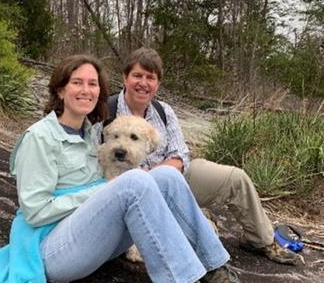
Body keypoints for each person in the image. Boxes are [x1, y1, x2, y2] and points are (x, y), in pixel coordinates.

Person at [9, 54, 260, 283]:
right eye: (76, 82)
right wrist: (100, 191)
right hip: (54, 251)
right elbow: (34, 211)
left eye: (92, 84)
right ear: (60, 89)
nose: (86, 89)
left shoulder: (92, 132)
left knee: (166, 176)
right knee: (135, 181)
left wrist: (108, 189)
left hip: (92, 239)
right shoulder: (39, 137)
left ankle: (212, 266)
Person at [95, 47, 297, 265]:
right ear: (125, 78)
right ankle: (194, 217)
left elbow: (180, 154)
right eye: (137, 76)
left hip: (173, 177)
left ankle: (262, 240)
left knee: (235, 178)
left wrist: (158, 177)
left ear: (157, 84)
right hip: (127, 186)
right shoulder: (106, 111)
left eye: (150, 78)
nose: (143, 83)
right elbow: (96, 158)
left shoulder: (164, 111)